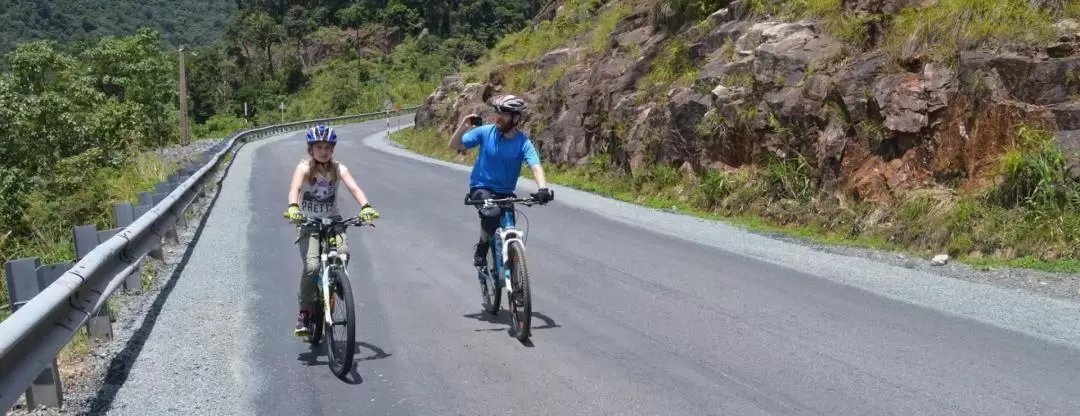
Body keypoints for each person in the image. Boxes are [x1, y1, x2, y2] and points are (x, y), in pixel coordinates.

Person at [283, 123, 380, 337]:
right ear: (311, 149)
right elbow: (295, 189)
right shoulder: (304, 168)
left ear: (332, 149)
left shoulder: (338, 169)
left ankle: (337, 284)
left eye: (327, 148)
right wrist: (293, 208)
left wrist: (366, 207)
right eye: (319, 147)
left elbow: (355, 188)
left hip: (333, 221)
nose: (323, 152)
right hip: (309, 222)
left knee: (343, 254)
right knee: (312, 266)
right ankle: (305, 313)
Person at [448, 94, 554, 268]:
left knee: (509, 226)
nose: (499, 117)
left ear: (516, 118)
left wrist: (543, 188)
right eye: (498, 113)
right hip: (481, 188)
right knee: (491, 214)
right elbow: (454, 145)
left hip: (505, 193)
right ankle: (482, 247)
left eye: (504, 114)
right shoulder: (484, 132)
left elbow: (535, 166)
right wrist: (462, 126)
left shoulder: (523, 142)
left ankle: (515, 280)